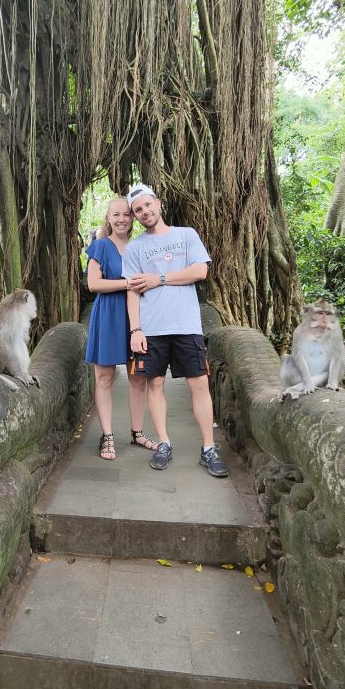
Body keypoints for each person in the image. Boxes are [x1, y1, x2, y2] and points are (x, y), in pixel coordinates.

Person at [123, 183, 228, 478]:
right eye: (138, 210)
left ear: (158, 203)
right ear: (135, 216)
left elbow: (200, 271)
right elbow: (132, 291)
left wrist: (158, 278)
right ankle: (164, 443)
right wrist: (136, 330)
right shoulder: (135, 248)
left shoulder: (186, 235)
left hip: (186, 325)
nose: (144, 212)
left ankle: (208, 448)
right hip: (152, 328)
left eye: (147, 205)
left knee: (200, 384)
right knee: (155, 384)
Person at [85, 197, 157, 460]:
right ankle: (107, 436)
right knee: (104, 377)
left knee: (138, 377)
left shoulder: (141, 246)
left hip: (135, 317)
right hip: (108, 316)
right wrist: (127, 284)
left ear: (133, 217)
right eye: (116, 215)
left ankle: (137, 432)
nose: (121, 219)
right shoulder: (101, 246)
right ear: (109, 218)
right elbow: (93, 284)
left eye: (126, 214)